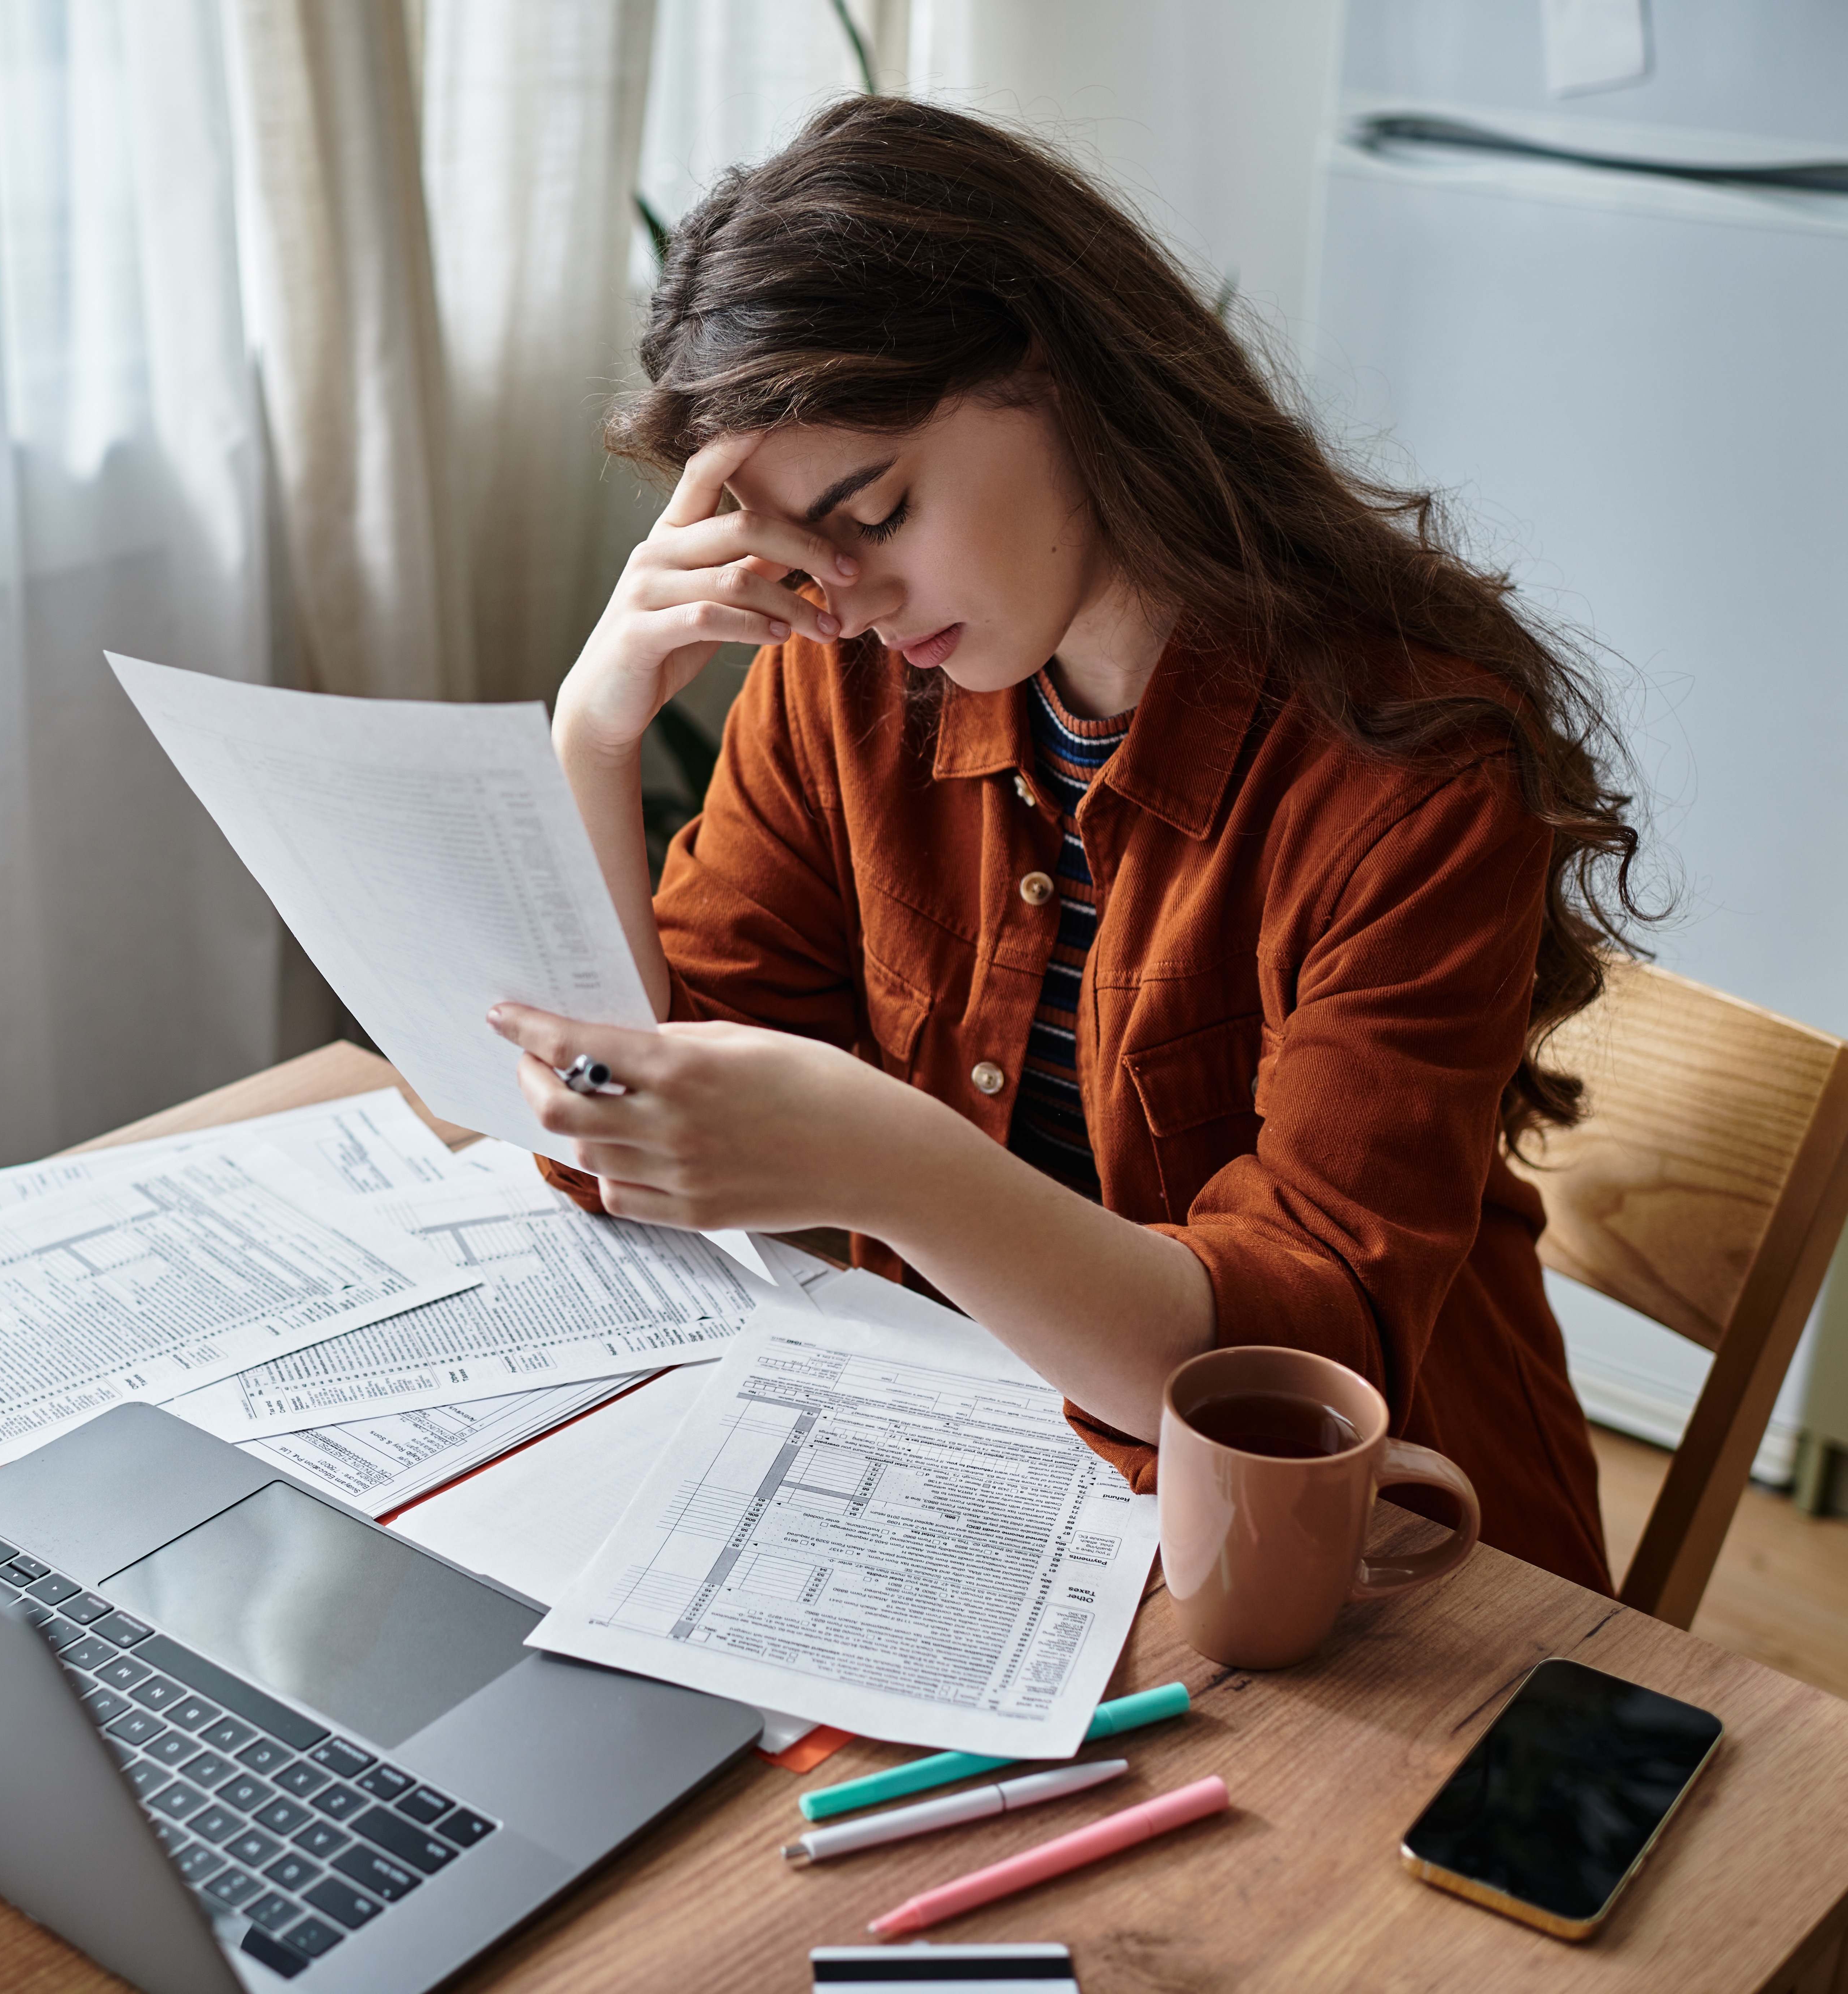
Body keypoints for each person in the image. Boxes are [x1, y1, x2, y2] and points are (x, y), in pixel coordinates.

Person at [486, 97, 1646, 1594]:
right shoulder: (841, 674)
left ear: (1050, 373)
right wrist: (589, 735)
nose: (848, 597)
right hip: (995, 1474)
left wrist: (884, 1163)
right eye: (795, 551)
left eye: (876, 508)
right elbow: (634, 1150)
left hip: (1380, 1554)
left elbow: (1289, 1367)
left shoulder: (1415, 764)